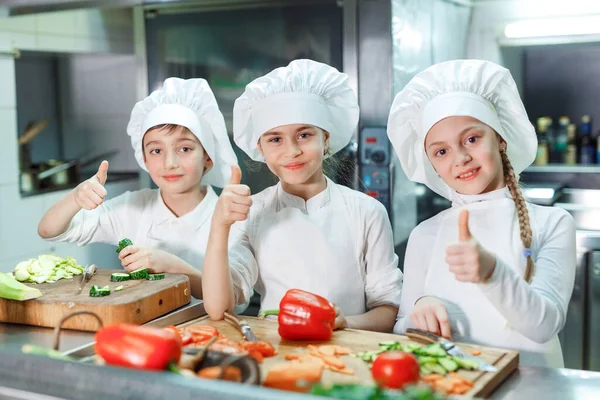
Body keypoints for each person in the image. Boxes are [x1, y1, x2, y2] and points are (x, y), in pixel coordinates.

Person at [388, 59, 576, 367]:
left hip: (532, 387)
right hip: (454, 386)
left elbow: (544, 325)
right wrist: (420, 310)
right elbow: (403, 327)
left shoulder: (553, 223)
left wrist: (491, 271)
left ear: (500, 139)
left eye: (472, 139)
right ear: (431, 165)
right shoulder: (425, 235)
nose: (460, 158)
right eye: (441, 151)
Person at [202, 59, 402, 332]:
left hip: (345, 354)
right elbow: (218, 307)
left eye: (304, 134)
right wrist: (220, 225)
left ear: (326, 138)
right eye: (275, 139)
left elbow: (388, 310)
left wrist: (342, 324)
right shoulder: (254, 212)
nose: (292, 151)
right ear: (259, 147)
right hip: (277, 354)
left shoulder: (366, 212)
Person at [37, 77, 238, 299]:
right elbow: (49, 230)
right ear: (144, 159)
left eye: (184, 148)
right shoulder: (132, 207)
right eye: (156, 151)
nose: (170, 163)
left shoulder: (234, 217)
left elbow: (233, 298)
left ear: (208, 157)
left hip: (209, 331)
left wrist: (171, 266)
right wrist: (76, 198)